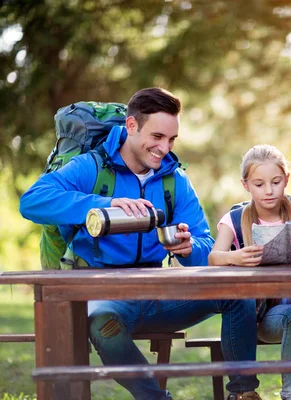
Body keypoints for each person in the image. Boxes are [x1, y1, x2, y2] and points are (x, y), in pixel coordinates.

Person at [19, 88, 261, 400]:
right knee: (103, 322)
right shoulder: (92, 167)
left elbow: (206, 246)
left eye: (171, 139)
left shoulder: (175, 180)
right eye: (157, 136)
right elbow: (32, 202)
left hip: (159, 291)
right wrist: (102, 203)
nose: (164, 148)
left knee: (237, 295)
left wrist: (189, 249)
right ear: (131, 126)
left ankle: (243, 394)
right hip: (104, 296)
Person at [209, 144, 291, 400]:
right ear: (246, 185)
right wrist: (235, 257)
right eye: (259, 184)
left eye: (276, 182)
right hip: (263, 316)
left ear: (286, 180)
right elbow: (213, 258)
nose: (269, 191)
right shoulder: (234, 220)